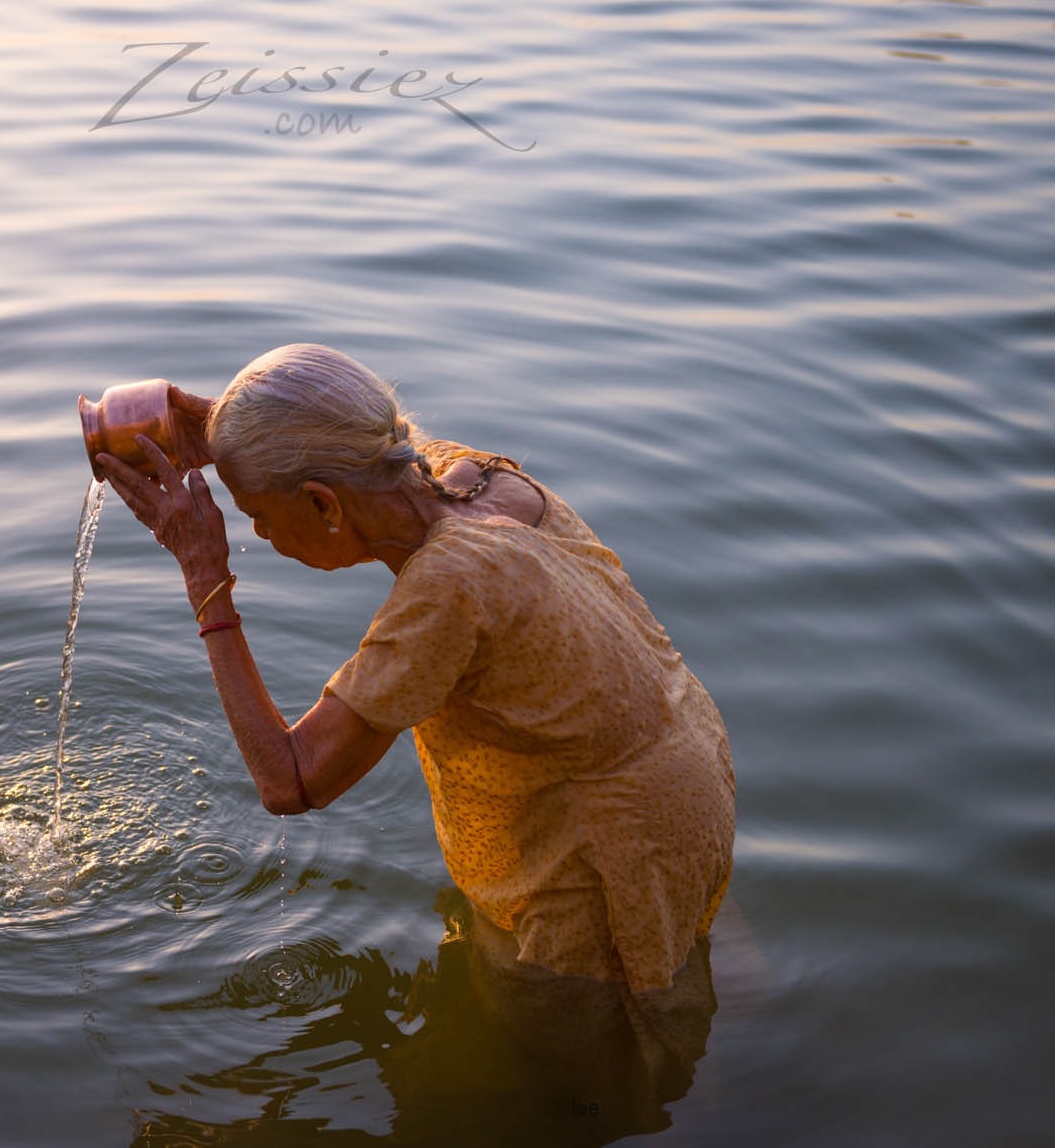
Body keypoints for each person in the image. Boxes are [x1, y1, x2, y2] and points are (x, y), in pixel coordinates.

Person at [93, 343, 734, 1044]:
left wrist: (204, 575)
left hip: (609, 856)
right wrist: (231, 426)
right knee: (664, 1005)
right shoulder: (476, 476)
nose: (258, 531)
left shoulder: (448, 587)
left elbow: (290, 779)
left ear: (322, 503)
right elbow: (349, 436)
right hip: (687, 777)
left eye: (257, 513)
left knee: (572, 1065)